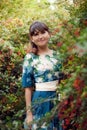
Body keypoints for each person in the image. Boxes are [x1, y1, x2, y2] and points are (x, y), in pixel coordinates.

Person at [22, 21, 63, 130]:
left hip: (57, 101)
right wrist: (29, 114)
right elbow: (28, 88)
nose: (40, 37)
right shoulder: (30, 58)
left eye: (43, 33)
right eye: (36, 34)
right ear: (32, 38)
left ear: (49, 34)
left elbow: (62, 81)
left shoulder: (58, 56)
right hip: (40, 100)